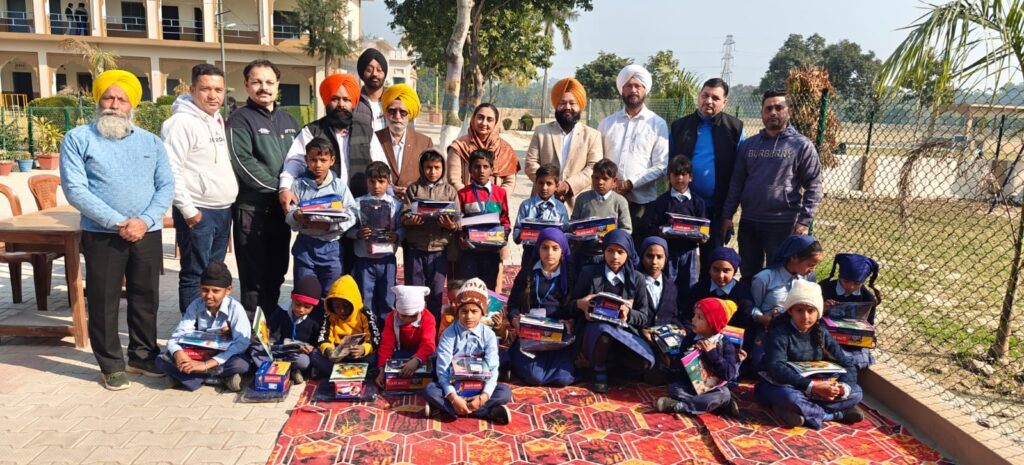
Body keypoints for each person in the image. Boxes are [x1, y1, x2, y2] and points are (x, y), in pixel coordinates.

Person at [60, 70, 174, 390]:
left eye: (121, 99)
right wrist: (117, 221)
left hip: (146, 231)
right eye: (108, 98)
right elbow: (75, 189)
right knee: (104, 299)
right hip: (102, 234)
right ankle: (110, 364)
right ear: (98, 101)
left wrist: (145, 220)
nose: (113, 105)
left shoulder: (151, 142)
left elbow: (165, 186)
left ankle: (142, 355)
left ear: (131, 105)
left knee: (145, 297)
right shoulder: (78, 139)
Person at [721, 90, 822, 279]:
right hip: (749, 221)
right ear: (762, 113)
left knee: (780, 275)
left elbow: (814, 186)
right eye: (768, 108)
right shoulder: (749, 145)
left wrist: (804, 221)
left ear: (789, 111)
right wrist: (727, 215)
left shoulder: (801, 145)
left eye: (778, 108)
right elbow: (736, 183)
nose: (773, 112)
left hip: (783, 223)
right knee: (749, 274)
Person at [162, 63, 237, 314]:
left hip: (222, 210)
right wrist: (189, 211)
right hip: (198, 212)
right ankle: (190, 327)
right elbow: (170, 169)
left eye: (218, 89)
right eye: (206, 89)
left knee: (213, 275)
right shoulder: (180, 123)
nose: (213, 95)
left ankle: (208, 325)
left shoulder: (216, 119)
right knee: (195, 274)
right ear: (192, 90)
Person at [227, 59, 298, 317]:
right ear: (246, 84)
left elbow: (300, 161)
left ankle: (270, 328)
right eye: (257, 82)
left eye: (269, 82)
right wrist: (281, 190)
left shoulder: (289, 120)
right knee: (253, 280)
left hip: (281, 212)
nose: (264, 88)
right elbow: (244, 165)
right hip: (252, 211)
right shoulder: (239, 120)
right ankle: (253, 334)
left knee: (277, 273)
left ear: (278, 85)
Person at [278, 73, 363, 276]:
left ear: (353, 103)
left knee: (353, 279)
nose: (341, 104)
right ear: (326, 101)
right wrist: (284, 188)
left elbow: (380, 166)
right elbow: (294, 162)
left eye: (346, 99)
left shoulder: (366, 131)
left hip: (353, 221)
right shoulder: (311, 131)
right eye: (335, 99)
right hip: (316, 227)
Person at [755, 280, 865, 429]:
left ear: (818, 312)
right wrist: (812, 386)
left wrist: (843, 387)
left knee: (857, 392)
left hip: (816, 389)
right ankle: (834, 415)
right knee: (789, 397)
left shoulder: (822, 334)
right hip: (784, 385)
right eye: (799, 310)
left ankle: (795, 411)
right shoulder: (780, 334)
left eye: (811, 311)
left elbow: (847, 364)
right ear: (790, 311)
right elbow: (777, 368)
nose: (806, 317)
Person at [669, 79, 746, 271]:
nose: (709, 101)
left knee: (712, 261)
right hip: (684, 207)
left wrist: (729, 213)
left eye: (715, 98)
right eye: (705, 95)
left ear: (724, 102)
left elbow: (740, 171)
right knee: (680, 259)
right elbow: (669, 165)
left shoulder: (734, 128)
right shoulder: (679, 127)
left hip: (717, 209)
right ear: (699, 96)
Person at [573, 229, 653, 393]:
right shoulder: (589, 273)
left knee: (645, 363)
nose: (615, 257)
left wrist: (628, 314)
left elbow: (644, 316)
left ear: (628, 253)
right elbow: (570, 305)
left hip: (623, 331)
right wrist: (581, 304)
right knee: (604, 333)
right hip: (596, 331)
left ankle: (610, 366)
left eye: (620, 252)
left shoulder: (637, 278)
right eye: (610, 251)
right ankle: (599, 370)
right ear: (604, 251)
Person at [423, 278, 513, 424]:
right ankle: (486, 412)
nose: (469, 316)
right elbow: (442, 370)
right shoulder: (449, 334)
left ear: (482, 312)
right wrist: (454, 398)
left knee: (505, 392)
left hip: (479, 387)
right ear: (458, 311)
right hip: (454, 385)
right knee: (430, 390)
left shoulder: (488, 335)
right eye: (464, 311)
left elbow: (493, 368)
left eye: (474, 311)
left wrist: (483, 397)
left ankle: (446, 409)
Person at [597, 65, 669, 240]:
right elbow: (598, 161)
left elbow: (661, 166)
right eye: (628, 86)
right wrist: (612, 184)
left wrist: (630, 183)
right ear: (622, 90)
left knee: (639, 248)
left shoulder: (657, 124)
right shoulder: (607, 123)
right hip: (608, 200)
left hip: (642, 204)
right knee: (609, 246)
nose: (633, 90)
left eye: (638, 86)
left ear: (645, 90)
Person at [158, 263, 251, 392]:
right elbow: (177, 335)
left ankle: (187, 377)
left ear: (228, 290)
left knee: (241, 364)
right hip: (199, 353)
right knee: (161, 359)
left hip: (221, 356)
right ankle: (219, 378)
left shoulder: (236, 309)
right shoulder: (196, 305)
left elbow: (241, 344)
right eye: (205, 290)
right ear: (199, 287)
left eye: (216, 291)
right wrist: (179, 354)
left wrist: (206, 364)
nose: (209, 295)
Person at [284, 138, 358, 294]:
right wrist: (296, 216)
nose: (318, 165)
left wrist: (332, 226)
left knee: (330, 293)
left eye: (323, 160)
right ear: (306, 160)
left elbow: (352, 214)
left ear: (332, 161)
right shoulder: (298, 185)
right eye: (313, 160)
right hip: (305, 246)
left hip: (331, 247)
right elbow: (289, 214)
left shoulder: (339, 186)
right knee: (305, 293)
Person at [507, 228, 577, 387]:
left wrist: (571, 321)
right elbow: (512, 304)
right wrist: (515, 320)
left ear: (563, 250)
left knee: (563, 379)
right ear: (538, 248)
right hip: (531, 333)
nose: (549, 253)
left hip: (558, 337)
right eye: (545, 247)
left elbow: (576, 307)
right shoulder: (528, 273)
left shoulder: (571, 275)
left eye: (555, 248)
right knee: (535, 377)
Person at [747, 236, 824, 375]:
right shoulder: (765, 278)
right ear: (794, 257)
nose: (813, 269)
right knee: (761, 366)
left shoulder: (808, 278)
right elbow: (752, 305)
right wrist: (761, 317)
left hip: (798, 329)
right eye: (810, 264)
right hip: (769, 329)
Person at [525, 78, 603, 212]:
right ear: (556, 105)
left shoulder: (592, 135)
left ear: (580, 106)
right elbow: (530, 163)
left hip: (578, 204)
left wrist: (568, 185)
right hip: (542, 203)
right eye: (562, 103)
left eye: (572, 103)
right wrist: (550, 186)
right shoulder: (541, 132)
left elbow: (593, 167)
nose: (567, 107)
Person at [655, 297, 741, 416]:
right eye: (694, 315)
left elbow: (729, 374)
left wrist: (712, 353)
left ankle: (680, 406)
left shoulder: (725, 345)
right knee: (674, 389)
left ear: (713, 323)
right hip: (689, 386)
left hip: (713, 389)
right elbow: (678, 367)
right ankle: (718, 405)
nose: (693, 319)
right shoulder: (690, 339)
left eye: (699, 317)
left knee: (723, 393)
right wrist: (689, 356)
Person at [401, 149, 460, 320]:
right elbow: (403, 216)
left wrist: (450, 225)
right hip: (416, 249)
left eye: (437, 167)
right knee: (415, 294)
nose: (432, 172)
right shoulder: (414, 189)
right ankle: (414, 328)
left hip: (439, 251)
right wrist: (410, 220)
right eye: (428, 167)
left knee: (436, 293)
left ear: (443, 168)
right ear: (421, 168)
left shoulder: (450, 191)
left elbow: (457, 221)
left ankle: (432, 330)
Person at [349, 161, 404, 328]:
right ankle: (368, 333)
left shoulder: (396, 205)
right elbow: (346, 228)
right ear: (367, 182)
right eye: (372, 181)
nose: (376, 186)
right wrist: (357, 234)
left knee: (388, 299)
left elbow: (403, 227)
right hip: (364, 260)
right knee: (365, 299)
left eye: (381, 181)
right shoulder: (356, 204)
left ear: (389, 182)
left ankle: (387, 335)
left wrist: (397, 235)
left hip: (387, 260)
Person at [642, 155, 706, 294]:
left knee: (689, 285)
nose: (680, 178)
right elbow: (651, 226)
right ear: (669, 177)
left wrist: (702, 236)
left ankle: (686, 308)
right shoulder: (661, 202)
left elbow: (704, 230)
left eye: (684, 174)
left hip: (689, 251)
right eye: (676, 174)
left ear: (691, 177)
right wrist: (662, 231)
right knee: (668, 284)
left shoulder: (698, 202)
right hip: (668, 251)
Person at [456, 150, 511, 290]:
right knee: (469, 287)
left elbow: (505, 219)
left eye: (485, 167)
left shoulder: (500, 193)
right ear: (470, 170)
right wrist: (460, 235)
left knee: (488, 288)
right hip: (470, 251)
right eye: (477, 166)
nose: (481, 171)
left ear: (492, 169)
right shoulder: (463, 194)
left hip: (491, 251)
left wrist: (504, 233)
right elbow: (458, 220)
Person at [369, 83, 434, 200]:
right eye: (392, 111)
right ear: (386, 113)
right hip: (381, 204)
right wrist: (388, 189)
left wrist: (413, 191)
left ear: (410, 114)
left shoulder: (424, 143)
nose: (397, 116)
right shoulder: (374, 139)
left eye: (403, 112)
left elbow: (432, 180)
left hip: (413, 205)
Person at [257, 275, 326, 384]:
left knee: (303, 362)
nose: (301, 309)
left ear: (314, 306)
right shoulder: (282, 310)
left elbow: (319, 339)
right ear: (292, 298)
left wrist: (311, 348)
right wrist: (266, 332)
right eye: (297, 304)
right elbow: (270, 326)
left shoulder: (316, 318)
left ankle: (288, 369)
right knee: (257, 348)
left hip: (301, 352)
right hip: (283, 348)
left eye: (307, 307)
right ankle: (289, 369)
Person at [687, 246, 755, 353]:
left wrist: (743, 350)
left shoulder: (743, 294)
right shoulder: (699, 289)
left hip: (731, 346)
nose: (720, 275)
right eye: (716, 269)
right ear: (709, 269)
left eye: (726, 270)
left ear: (734, 271)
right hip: (699, 341)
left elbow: (748, 326)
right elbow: (687, 316)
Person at [820, 253, 881, 369]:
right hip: (824, 336)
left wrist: (871, 339)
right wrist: (822, 308)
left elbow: (869, 324)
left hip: (852, 341)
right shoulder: (824, 288)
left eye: (857, 284)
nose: (851, 287)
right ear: (839, 276)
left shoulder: (867, 298)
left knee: (858, 358)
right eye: (846, 281)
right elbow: (809, 313)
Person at [570, 159, 632, 271]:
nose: (600, 182)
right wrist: (576, 232)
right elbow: (573, 222)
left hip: (609, 256)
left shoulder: (620, 201)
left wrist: (610, 239)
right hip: (584, 253)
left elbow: (627, 229)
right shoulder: (582, 199)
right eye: (596, 178)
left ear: (614, 181)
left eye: (605, 179)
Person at [373, 285, 438, 388]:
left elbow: (428, 344)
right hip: (402, 353)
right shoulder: (392, 318)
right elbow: (387, 344)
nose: (408, 320)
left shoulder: (428, 318)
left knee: (436, 356)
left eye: (413, 316)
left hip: (423, 353)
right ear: (397, 311)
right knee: (383, 359)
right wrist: (382, 369)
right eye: (403, 316)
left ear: (421, 310)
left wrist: (416, 360)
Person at [315, 274, 380, 375]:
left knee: (374, 358)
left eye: (346, 306)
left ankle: (333, 372)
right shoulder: (329, 315)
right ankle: (360, 372)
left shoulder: (365, 313)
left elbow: (375, 338)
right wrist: (328, 350)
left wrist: (363, 349)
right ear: (331, 305)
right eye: (337, 307)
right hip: (337, 356)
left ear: (354, 303)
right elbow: (323, 337)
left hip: (358, 355)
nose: (341, 310)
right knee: (314, 355)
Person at [637, 236, 680, 386]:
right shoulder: (634, 282)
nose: (654, 262)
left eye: (659, 257)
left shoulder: (671, 286)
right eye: (649, 256)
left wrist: (680, 329)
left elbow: (673, 315)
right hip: (640, 337)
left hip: (664, 341)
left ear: (665, 259)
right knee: (651, 372)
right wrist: (641, 330)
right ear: (642, 256)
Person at [447, 103, 519, 192]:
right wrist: (470, 198)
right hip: (465, 199)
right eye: (480, 118)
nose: (484, 123)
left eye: (489, 119)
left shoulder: (505, 150)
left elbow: (509, 182)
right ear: (473, 119)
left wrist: (496, 198)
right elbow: (454, 180)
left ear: (496, 123)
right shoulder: (459, 146)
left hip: (496, 200)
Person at [512, 163, 570, 267]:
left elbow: (566, 232)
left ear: (556, 186)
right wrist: (522, 234)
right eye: (541, 183)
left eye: (549, 183)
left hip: (551, 256)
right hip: (530, 253)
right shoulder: (526, 205)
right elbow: (517, 230)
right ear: (535, 183)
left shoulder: (560, 208)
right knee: (527, 276)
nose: (544, 187)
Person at [356, 48, 389, 132]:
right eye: (369, 70)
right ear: (362, 73)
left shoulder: (393, 101)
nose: (374, 74)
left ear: (384, 73)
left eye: (379, 70)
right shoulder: (353, 103)